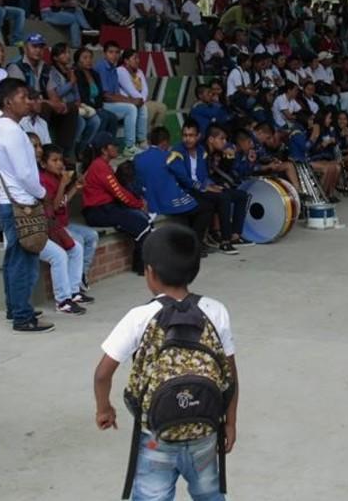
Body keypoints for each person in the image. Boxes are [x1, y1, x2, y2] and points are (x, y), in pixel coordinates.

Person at [93, 224, 238, 501]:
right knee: (209, 495)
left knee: (151, 496)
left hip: (155, 436)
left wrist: (104, 408)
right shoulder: (216, 311)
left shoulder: (140, 316)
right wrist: (229, 423)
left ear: (150, 273)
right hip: (204, 432)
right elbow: (230, 376)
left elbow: (102, 374)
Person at [0, 79, 54, 333]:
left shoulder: (4, 127)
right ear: (8, 101)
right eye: (23, 97)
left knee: (14, 258)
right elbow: (25, 174)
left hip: (11, 201)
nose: (28, 101)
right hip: (21, 203)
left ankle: (15, 308)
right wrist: (43, 193)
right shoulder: (11, 131)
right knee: (23, 261)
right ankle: (22, 316)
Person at [135, 128, 215, 257]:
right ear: (165, 142)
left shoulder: (138, 158)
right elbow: (184, 178)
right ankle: (195, 246)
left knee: (190, 208)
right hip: (169, 201)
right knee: (206, 207)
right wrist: (201, 187)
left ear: (150, 141)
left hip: (150, 201)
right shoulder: (170, 157)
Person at [171, 120, 248, 255]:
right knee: (222, 197)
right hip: (186, 191)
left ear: (198, 136)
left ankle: (230, 236)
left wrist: (211, 185)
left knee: (229, 194)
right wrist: (204, 187)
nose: (187, 139)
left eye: (191, 135)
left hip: (200, 189)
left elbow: (204, 175)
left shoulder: (201, 151)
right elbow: (183, 178)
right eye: (185, 135)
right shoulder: (177, 151)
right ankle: (225, 241)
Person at [81, 132, 151, 274]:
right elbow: (119, 193)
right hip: (98, 211)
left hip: (106, 208)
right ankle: (141, 267)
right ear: (104, 150)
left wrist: (137, 204)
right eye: (114, 145)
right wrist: (138, 204)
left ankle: (145, 264)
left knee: (144, 220)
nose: (117, 147)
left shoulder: (103, 164)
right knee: (141, 223)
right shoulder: (99, 166)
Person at [38, 143, 93, 315]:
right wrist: (63, 183)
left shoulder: (55, 177)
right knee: (64, 253)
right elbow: (53, 208)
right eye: (54, 160)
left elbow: (62, 203)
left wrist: (74, 188)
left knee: (77, 248)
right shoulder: (43, 179)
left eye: (60, 160)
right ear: (43, 164)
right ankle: (63, 300)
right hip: (45, 228)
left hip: (58, 226)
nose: (60, 164)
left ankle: (73, 292)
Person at [96, 41, 147, 155]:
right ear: (104, 53)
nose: (114, 55)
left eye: (117, 52)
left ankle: (142, 141)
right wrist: (131, 101)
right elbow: (106, 95)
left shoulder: (113, 68)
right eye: (111, 52)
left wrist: (133, 101)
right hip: (101, 104)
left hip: (110, 102)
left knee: (140, 106)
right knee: (131, 108)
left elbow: (116, 94)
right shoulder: (101, 66)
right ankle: (129, 147)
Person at [75, 46, 120, 145]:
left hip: (97, 106)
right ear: (78, 60)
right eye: (85, 58)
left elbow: (99, 94)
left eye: (90, 57)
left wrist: (98, 107)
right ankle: (95, 147)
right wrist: (95, 108)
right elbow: (82, 95)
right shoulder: (76, 73)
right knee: (103, 117)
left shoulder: (95, 74)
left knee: (112, 117)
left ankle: (109, 145)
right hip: (85, 106)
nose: (88, 60)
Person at [118, 49, 166, 133]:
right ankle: (142, 138)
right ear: (126, 61)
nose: (138, 61)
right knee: (148, 108)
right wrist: (142, 101)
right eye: (135, 58)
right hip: (129, 102)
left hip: (141, 101)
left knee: (162, 107)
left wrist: (142, 100)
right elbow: (131, 91)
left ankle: (155, 136)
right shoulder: (120, 71)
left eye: (138, 58)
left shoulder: (139, 71)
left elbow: (145, 89)